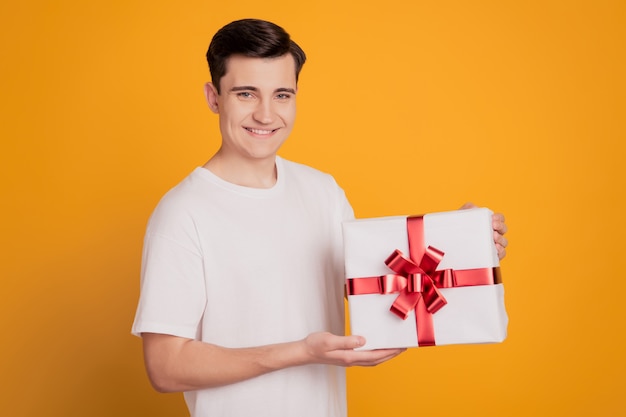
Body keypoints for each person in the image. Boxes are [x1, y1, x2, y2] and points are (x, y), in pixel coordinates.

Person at [131, 18, 508, 417]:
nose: (265, 114)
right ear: (214, 97)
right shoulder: (182, 213)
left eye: (282, 95)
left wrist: (464, 246)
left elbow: (376, 286)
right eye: (246, 94)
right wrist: (301, 352)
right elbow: (165, 367)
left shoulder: (323, 191)